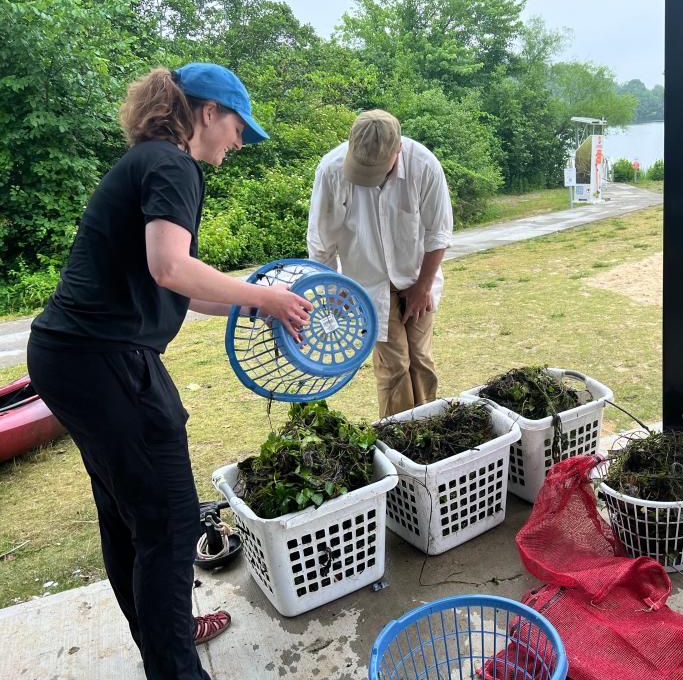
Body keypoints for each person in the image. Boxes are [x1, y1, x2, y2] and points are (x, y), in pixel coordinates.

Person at [27, 63, 314, 679]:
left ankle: (167, 635)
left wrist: (250, 301)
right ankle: (176, 667)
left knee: (128, 511)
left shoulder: (152, 161)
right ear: (208, 113)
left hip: (73, 358)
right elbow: (170, 267)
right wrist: (266, 296)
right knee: (169, 518)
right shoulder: (170, 164)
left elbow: (184, 284)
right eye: (238, 127)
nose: (238, 144)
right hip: (104, 360)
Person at [307, 109, 454, 418]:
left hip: (417, 277)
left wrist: (423, 286)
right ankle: (398, 435)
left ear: (397, 150)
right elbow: (322, 242)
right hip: (367, 284)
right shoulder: (331, 170)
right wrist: (332, 292)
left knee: (422, 361)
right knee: (395, 367)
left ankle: (427, 428)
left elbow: (438, 232)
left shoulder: (424, 165)